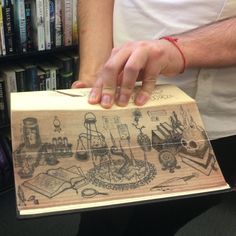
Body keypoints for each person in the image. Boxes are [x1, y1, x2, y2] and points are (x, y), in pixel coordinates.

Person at [73, 1, 236, 235]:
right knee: (101, 222)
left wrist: (179, 49)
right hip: (120, 106)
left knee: (158, 222)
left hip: (221, 119)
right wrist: (94, 73)